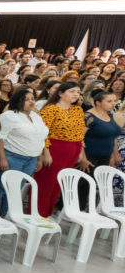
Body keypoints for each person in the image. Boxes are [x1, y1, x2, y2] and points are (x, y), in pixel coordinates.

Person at [33, 82, 86, 217]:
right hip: (54, 148)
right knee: (46, 183)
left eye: (78, 92)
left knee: (59, 183)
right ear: (61, 93)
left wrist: (80, 151)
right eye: (72, 91)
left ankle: (48, 213)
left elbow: (80, 131)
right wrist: (46, 152)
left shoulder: (77, 110)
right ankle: (38, 214)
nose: (76, 94)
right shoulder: (50, 109)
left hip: (73, 148)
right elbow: (43, 132)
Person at [0, 87, 49, 177]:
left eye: (33, 99)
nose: (31, 102)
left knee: (19, 187)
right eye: (26, 99)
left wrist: (39, 158)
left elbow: (40, 138)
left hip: (32, 159)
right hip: (13, 157)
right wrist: (2, 159)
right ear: (18, 101)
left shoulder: (36, 116)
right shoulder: (9, 116)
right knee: (5, 188)